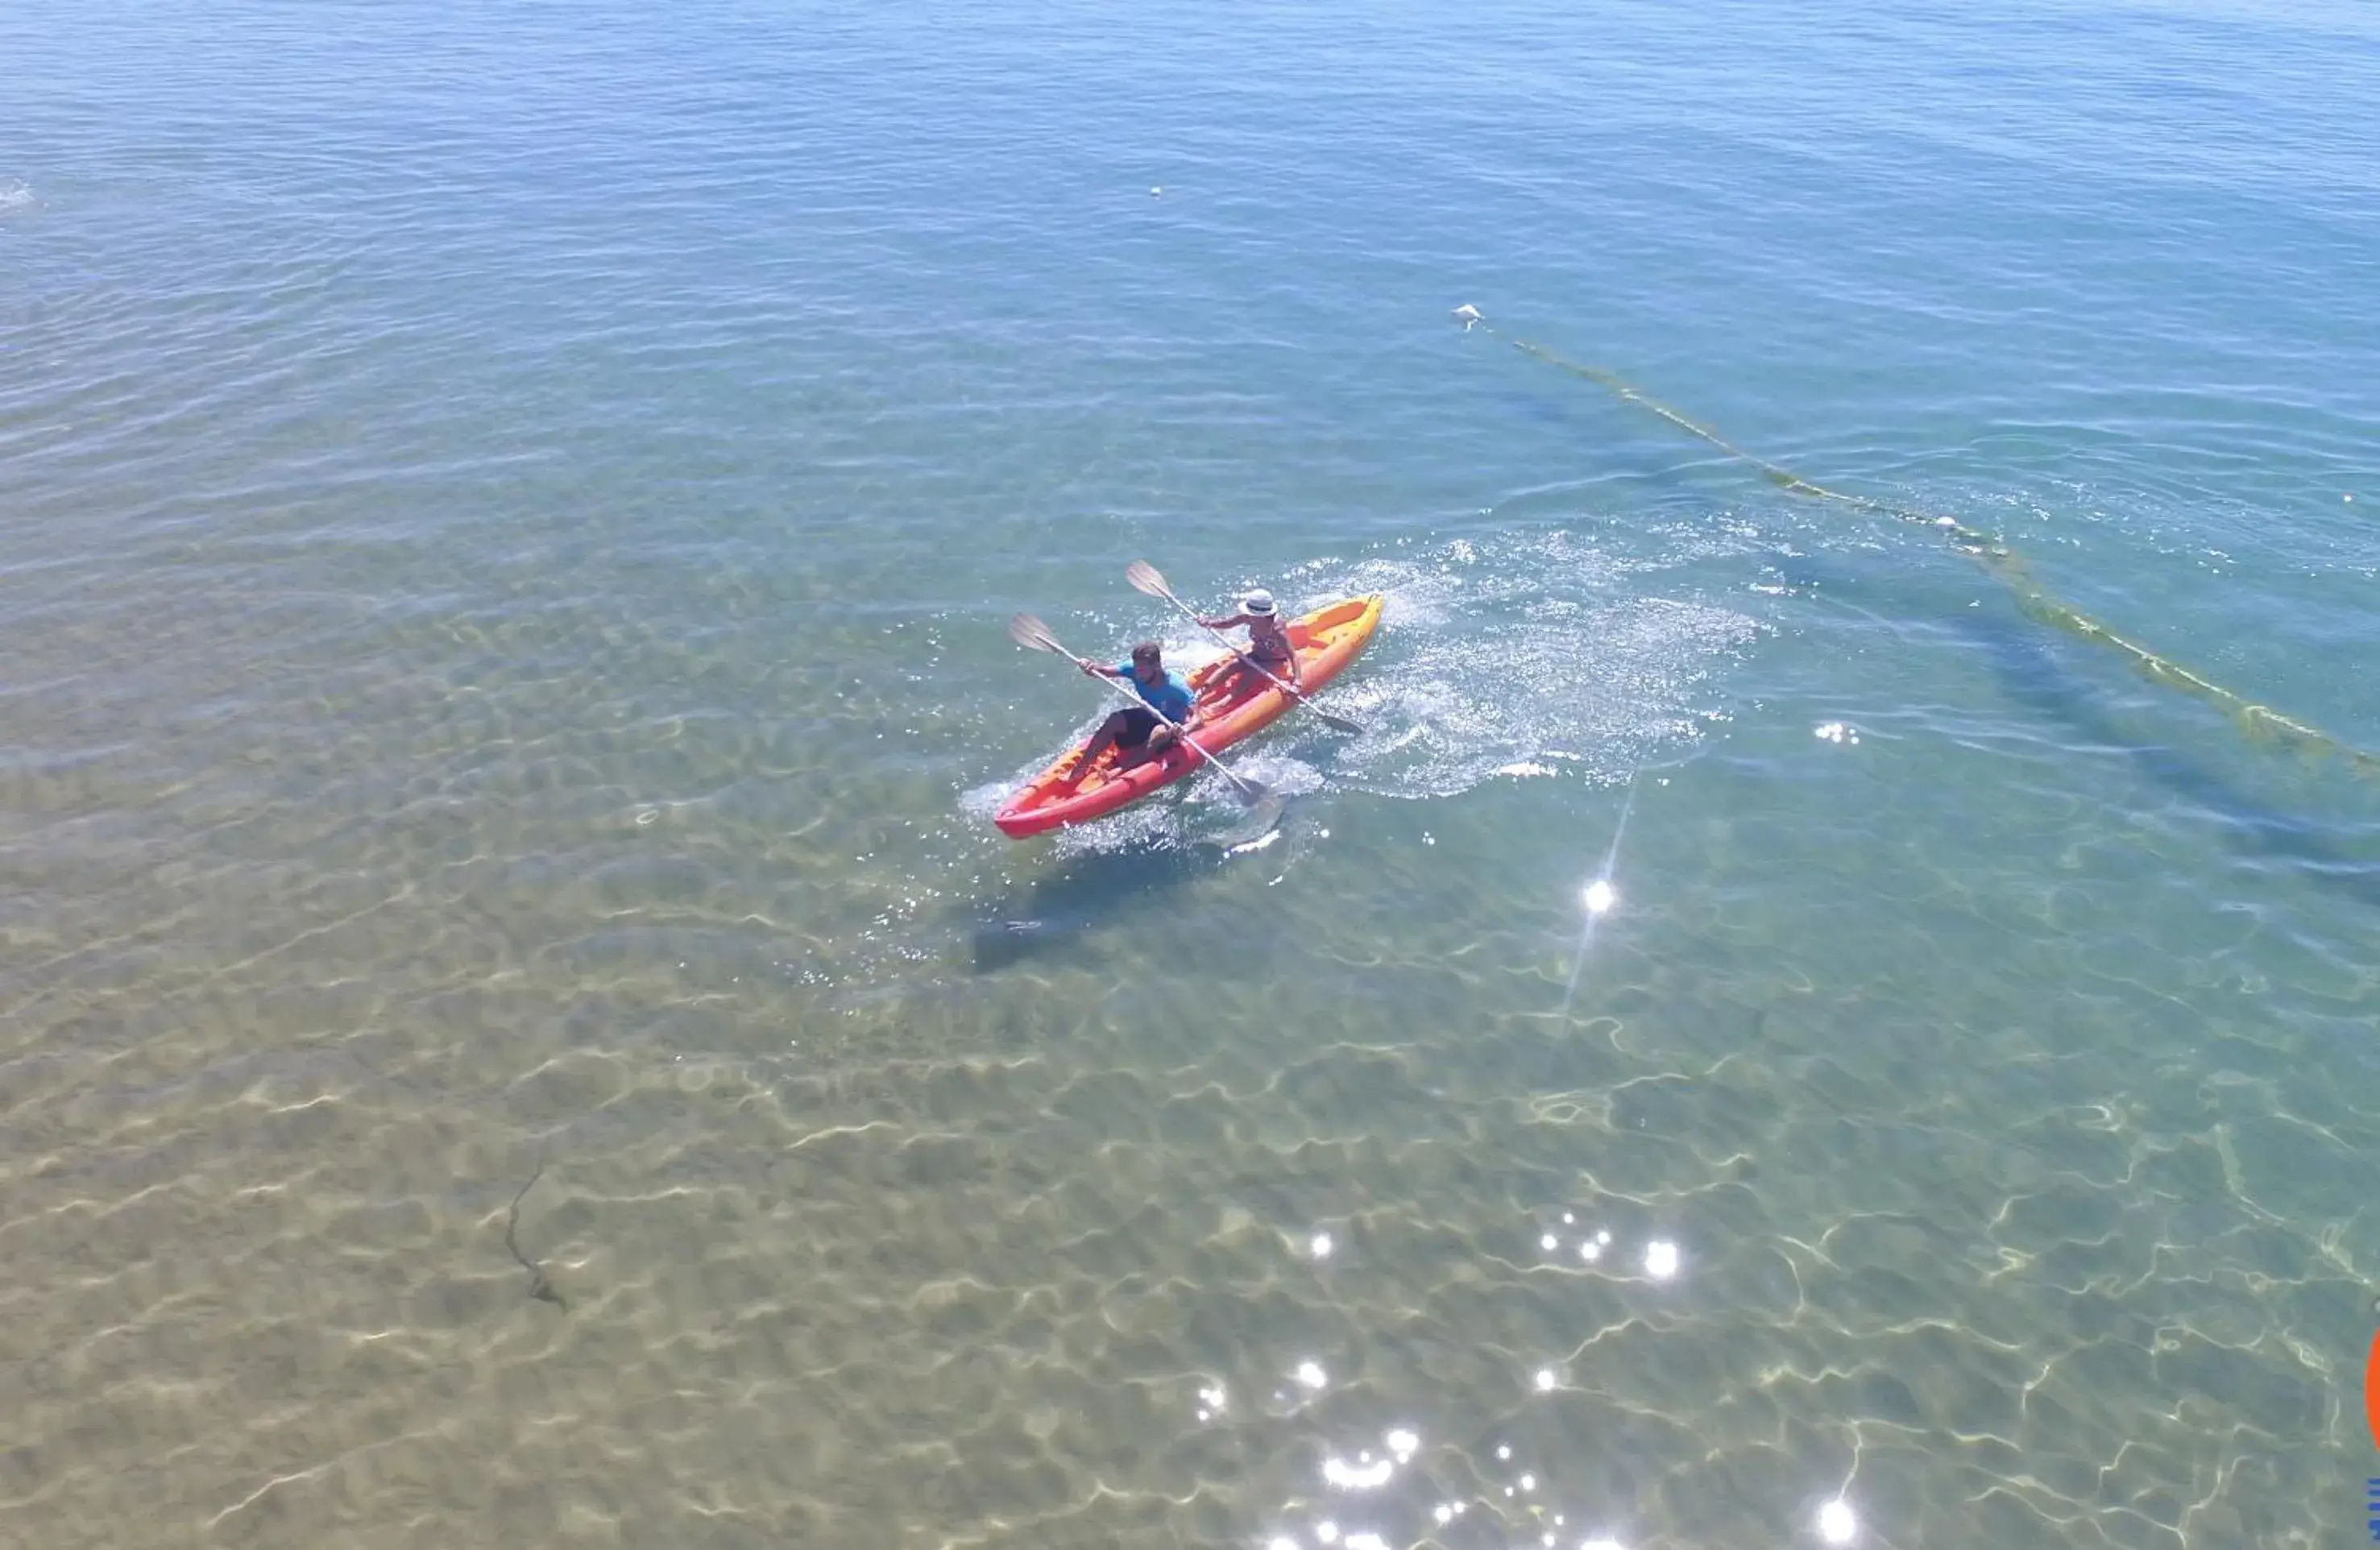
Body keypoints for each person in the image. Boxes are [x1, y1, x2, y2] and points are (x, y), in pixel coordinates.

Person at [1073, 641, 1198, 777]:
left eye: (1142, 670)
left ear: (1156, 666)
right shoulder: (1135, 669)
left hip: (1170, 727)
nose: (1137, 675)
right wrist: (1089, 666)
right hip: (1151, 717)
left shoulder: (1176, 687)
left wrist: (1185, 730)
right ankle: (1081, 768)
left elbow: (1198, 717)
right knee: (1115, 719)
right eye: (1136, 668)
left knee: (1159, 732)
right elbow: (1102, 672)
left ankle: (1119, 771)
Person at [1197, 589, 1299, 702]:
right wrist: (1209, 623)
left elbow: (1293, 656)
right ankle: (1200, 695)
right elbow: (1227, 623)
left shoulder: (1277, 630)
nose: (1247, 616)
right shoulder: (1250, 618)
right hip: (1255, 655)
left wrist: (1297, 684)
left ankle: (1224, 702)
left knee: (1250, 674)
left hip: (1276, 662)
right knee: (1231, 666)